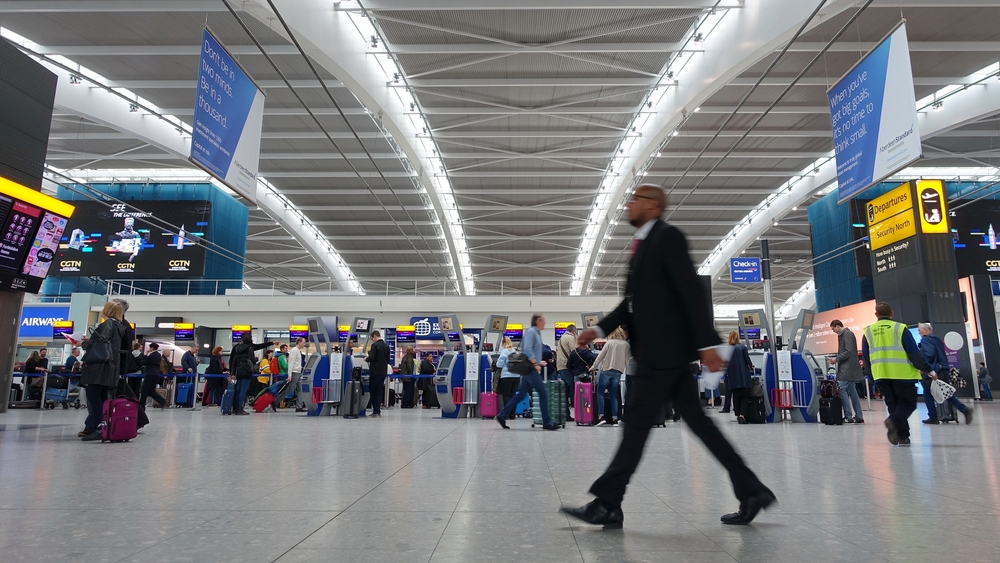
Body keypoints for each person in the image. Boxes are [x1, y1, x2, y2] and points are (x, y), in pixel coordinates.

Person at [560, 184, 774, 529]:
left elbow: (690, 290)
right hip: (663, 357)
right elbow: (630, 305)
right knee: (700, 427)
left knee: (635, 429)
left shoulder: (668, 237)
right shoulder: (643, 245)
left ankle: (608, 504)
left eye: (635, 200)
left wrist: (707, 344)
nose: (629, 205)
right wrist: (599, 329)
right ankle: (752, 491)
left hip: (662, 355)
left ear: (653, 206)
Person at [862, 302, 937, 446]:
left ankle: (903, 436)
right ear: (892, 313)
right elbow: (914, 352)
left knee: (893, 405)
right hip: (902, 374)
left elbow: (866, 358)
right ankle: (893, 422)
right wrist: (928, 369)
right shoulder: (900, 328)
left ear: (876, 315)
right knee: (908, 404)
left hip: (881, 375)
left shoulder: (868, 332)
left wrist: (872, 378)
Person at [494, 314, 558, 431]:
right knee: (543, 393)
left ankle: (502, 415)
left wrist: (539, 362)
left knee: (521, 395)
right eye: (543, 320)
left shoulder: (537, 333)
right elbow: (527, 349)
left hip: (532, 368)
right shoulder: (531, 332)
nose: (545, 322)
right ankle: (547, 422)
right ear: (538, 321)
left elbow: (533, 351)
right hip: (530, 369)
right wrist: (535, 363)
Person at [79, 301, 127, 441]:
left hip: (99, 367)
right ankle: (105, 426)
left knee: (93, 396)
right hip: (111, 366)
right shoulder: (119, 326)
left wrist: (84, 343)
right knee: (104, 397)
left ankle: (99, 427)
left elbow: (100, 344)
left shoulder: (107, 324)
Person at [917, 323, 973, 425]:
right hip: (943, 369)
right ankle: (964, 410)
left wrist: (924, 367)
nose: (918, 332)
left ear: (925, 330)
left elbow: (929, 354)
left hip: (933, 371)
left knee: (927, 393)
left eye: (919, 330)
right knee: (945, 393)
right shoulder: (936, 339)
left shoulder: (926, 339)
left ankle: (933, 417)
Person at [828, 320, 864, 424]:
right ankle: (859, 416)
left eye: (833, 328)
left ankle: (848, 416)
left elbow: (849, 351)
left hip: (848, 368)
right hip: (847, 368)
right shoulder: (842, 335)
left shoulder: (847, 334)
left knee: (842, 390)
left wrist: (836, 359)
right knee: (852, 392)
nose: (833, 331)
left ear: (838, 326)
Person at [230, 334, 276, 415]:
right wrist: (257, 358)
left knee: (238, 390)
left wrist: (232, 372)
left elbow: (233, 362)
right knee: (243, 391)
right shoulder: (250, 348)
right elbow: (253, 360)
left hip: (239, 371)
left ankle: (235, 408)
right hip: (247, 371)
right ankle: (240, 408)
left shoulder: (237, 348)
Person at [592, 328, 629, 425]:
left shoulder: (609, 343)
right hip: (618, 371)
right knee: (614, 395)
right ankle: (615, 419)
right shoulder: (626, 345)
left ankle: (601, 416)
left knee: (600, 393)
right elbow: (627, 359)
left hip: (607, 370)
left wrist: (593, 367)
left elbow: (600, 356)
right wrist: (623, 368)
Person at [722, 331, 755, 424]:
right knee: (745, 396)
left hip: (732, 377)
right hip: (744, 376)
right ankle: (742, 415)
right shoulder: (742, 347)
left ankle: (737, 414)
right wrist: (751, 366)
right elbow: (748, 361)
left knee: (735, 396)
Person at [276, 337, 307, 412]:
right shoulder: (294, 351)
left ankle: (299, 406)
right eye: (303, 342)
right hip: (294, 373)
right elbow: (291, 363)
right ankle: (275, 401)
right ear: (299, 342)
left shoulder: (298, 351)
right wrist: (289, 375)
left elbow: (295, 363)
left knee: (300, 389)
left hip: (298, 372)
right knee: (290, 389)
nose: (304, 344)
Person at [365, 330, 391, 417]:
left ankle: (375, 411)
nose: (372, 340)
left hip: (375, 371)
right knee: (379, 391)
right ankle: (377, 411)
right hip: (383, 371)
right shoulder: (386, 346)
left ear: (375, 336)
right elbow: (387, 360)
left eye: (372, 338)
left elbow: (372, 357)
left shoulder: (375, 345)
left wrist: (366, 359)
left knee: (373, 391)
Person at [556, 324, 578, 422]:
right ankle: (581, 413)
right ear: (574, 331)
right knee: (576, 389)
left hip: (560, 367)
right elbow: (575, 353)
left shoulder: (561, 338)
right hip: (567, 367)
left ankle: (566, 414)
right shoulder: (571, 338)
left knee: (565, 392)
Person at [139, 343, 167, 410]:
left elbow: (143, 362)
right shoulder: (158, 355)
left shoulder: (151, 355)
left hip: (150, 374)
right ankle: (162, 401)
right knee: (151, 391)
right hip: (156, 373)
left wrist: (146, 355)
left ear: (152, 348)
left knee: (144, 390)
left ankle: (141, 405)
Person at [495, 337, 520, 409]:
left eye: (502, 344)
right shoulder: (515, 352)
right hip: (516, 376)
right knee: (513, 395)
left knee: (506, 395)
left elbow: (499, 365)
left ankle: (507, 413)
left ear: (504, 343)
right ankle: (512, 414)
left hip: (506, 376)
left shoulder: (504, 351)